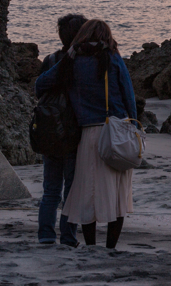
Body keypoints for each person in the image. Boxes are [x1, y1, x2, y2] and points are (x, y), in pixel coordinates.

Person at [36, 19, 137, 249]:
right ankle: (110, 247)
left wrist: (69, 55)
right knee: (118, 195)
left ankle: (90, 246)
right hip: (116, 130)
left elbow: (40, 84)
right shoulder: (112, 58)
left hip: (88, 134)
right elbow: (128, 93)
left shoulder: (73, 62)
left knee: (87, 193)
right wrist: (134, 125)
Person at [35, 13, 87, 246]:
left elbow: (40, 89)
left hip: (49, 129)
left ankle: (45, 234)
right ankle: (68, 236)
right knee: (71, 190)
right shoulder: (83, 62)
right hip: (73, 132)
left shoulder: (50, 58)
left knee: (50, 190)